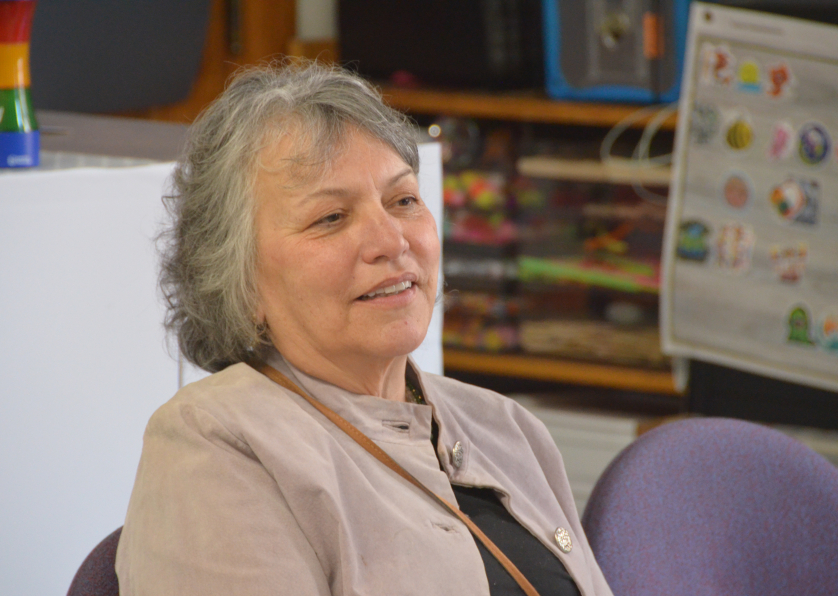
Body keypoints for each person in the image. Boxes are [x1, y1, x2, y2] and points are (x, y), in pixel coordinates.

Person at [116, 60, 613, 596]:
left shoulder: (505, 427)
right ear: (239, 279)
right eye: (330, 218)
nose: (392, 241)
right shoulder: (214, 447)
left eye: (403, 201)